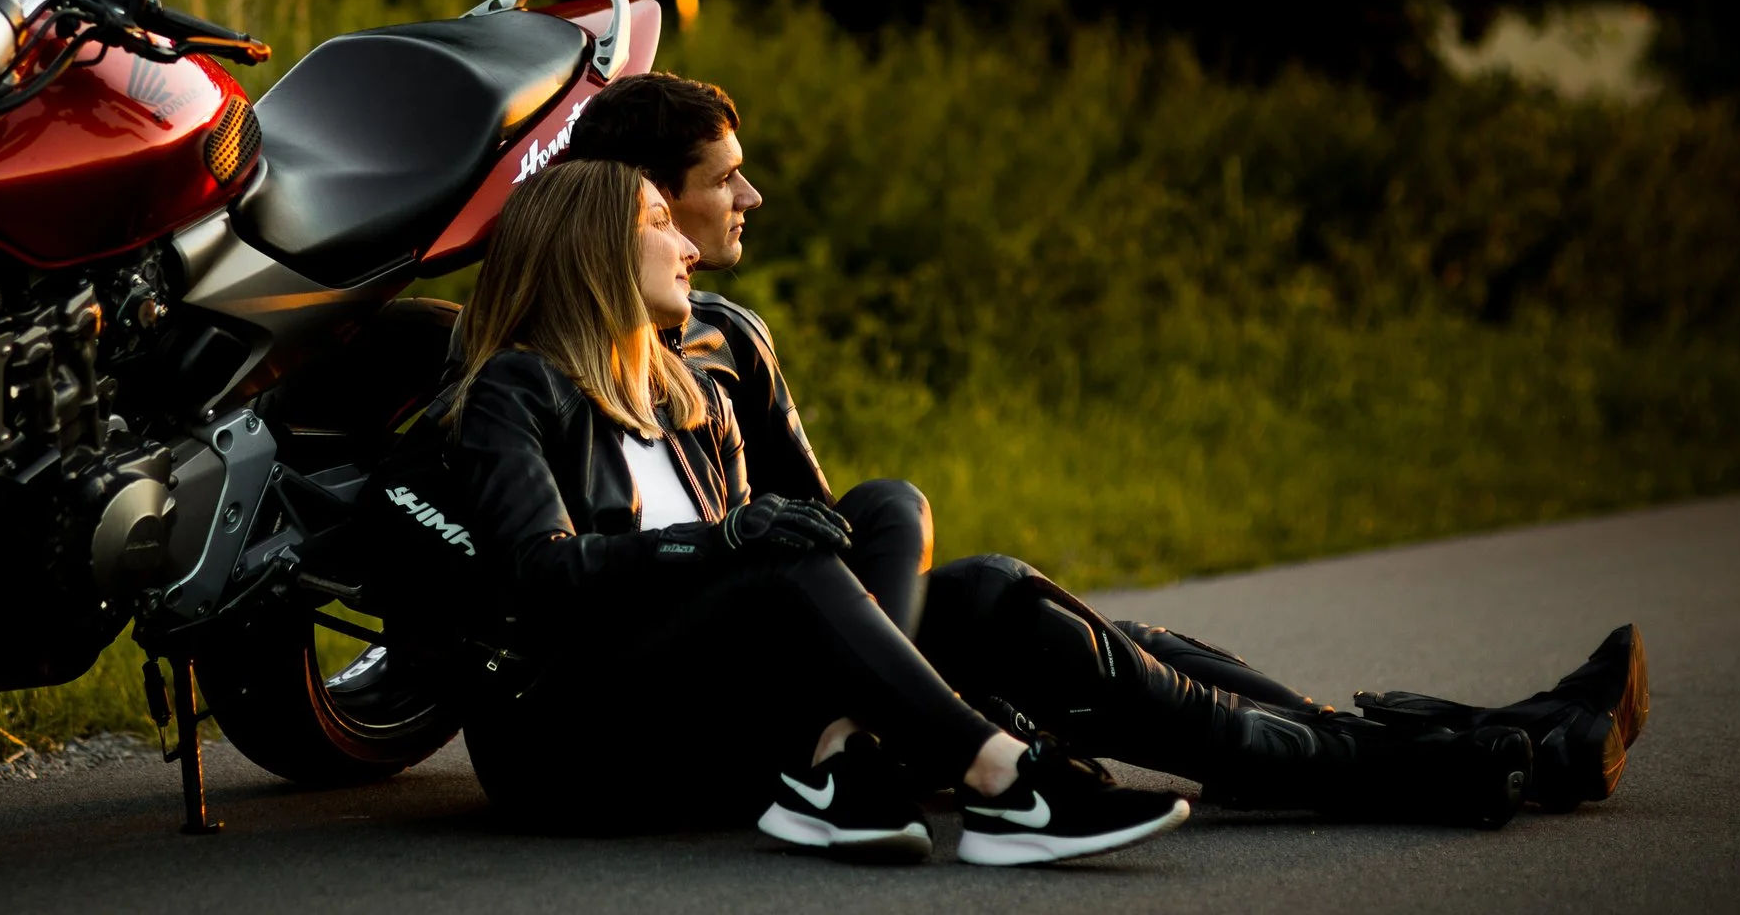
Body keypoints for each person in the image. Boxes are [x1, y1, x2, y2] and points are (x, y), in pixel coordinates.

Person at [564, 72, 1650, 816]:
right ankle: (1450, 759)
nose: (751, 194)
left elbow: (829, 533)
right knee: (1019, 617)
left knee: (1025, 610)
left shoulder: (732, 337)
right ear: (647, 200)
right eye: (723, 178)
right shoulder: (548, 355)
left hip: (808, 647)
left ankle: (1476, 743)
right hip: (702, 691)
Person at [438, 156, 1195, 865]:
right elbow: (538, 571)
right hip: (574, 740)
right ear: (592, 244)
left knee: (888, 504)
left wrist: (738, 539)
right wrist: (718, 540)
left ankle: (848, 754)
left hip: (708, 717)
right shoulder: (517, 388)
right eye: (660, 220)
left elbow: (754, 595)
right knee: (777, 560)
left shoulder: (695, 399)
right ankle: (999, 776)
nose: (687, 247)